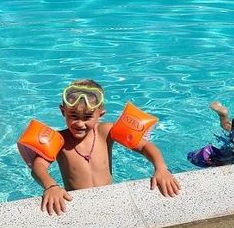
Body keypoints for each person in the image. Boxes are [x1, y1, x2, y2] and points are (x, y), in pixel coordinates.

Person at [30, 79, 181, 215]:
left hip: (110, 199)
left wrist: (161, 168)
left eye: (88, 117)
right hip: (77, 204)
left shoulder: (105, 131)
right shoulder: (60, 140)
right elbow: (39, 166)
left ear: (100, 115)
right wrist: (51, 186)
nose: (80, 123)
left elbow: (144, 146)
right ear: (63, 112)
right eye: (73, 116)